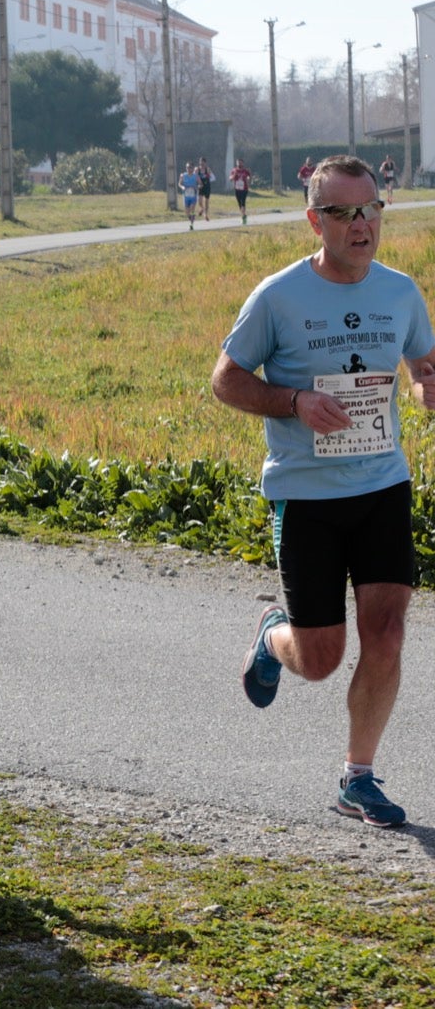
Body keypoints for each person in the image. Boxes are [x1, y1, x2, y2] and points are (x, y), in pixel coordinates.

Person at [212, 154, 435, 831]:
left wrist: (427, 387)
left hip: (381, 484)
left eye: (370, 209)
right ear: (316, 220)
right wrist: (294, 401)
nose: (360, 223)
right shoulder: (278, 296)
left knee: (389, 631)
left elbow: (423, 363)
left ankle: (357, 777)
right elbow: (226, 379)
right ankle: (271, 637)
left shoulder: (401, 293)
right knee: (320, 658)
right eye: (343, 212)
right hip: (304, 495)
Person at [229, 158, 253, 225]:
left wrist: (249, 177)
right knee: (240, 204)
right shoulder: (234, 170)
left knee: (243, 202)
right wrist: (233, 176)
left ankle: (243, 218)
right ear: (236, 163)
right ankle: (244, 215)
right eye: (238, 163)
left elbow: (249, 177)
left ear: (243, 163)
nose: (239, 164)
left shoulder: (245, 171)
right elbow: (230, 179)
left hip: (244, 189)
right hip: (237, 189)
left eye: (240, 162)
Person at [180, 163, 199, 230]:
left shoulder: (196, 176)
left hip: (193, 195)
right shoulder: (183, 175)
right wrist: (182, 187)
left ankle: (191, 225)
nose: (189, 169)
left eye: (190, 167)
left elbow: (201, 184)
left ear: (193, 168)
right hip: (186, 195)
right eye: (187, 167)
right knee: (187, 212)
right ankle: (192, 218)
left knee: (192, 209)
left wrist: (196, 187)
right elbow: (179, 183)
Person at [196, 156, 213, 221]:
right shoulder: (197, 169)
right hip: (201, 186)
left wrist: (207, 176)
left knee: (206, 201)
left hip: (207, 186)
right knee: (200, 202)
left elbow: (211, 177)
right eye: (200, 162)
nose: (201, 164)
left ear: (205, 163)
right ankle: (202, 209)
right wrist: (199, 183)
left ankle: (206, 215)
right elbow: (196, 177)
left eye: (203, 163)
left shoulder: (207, 169)